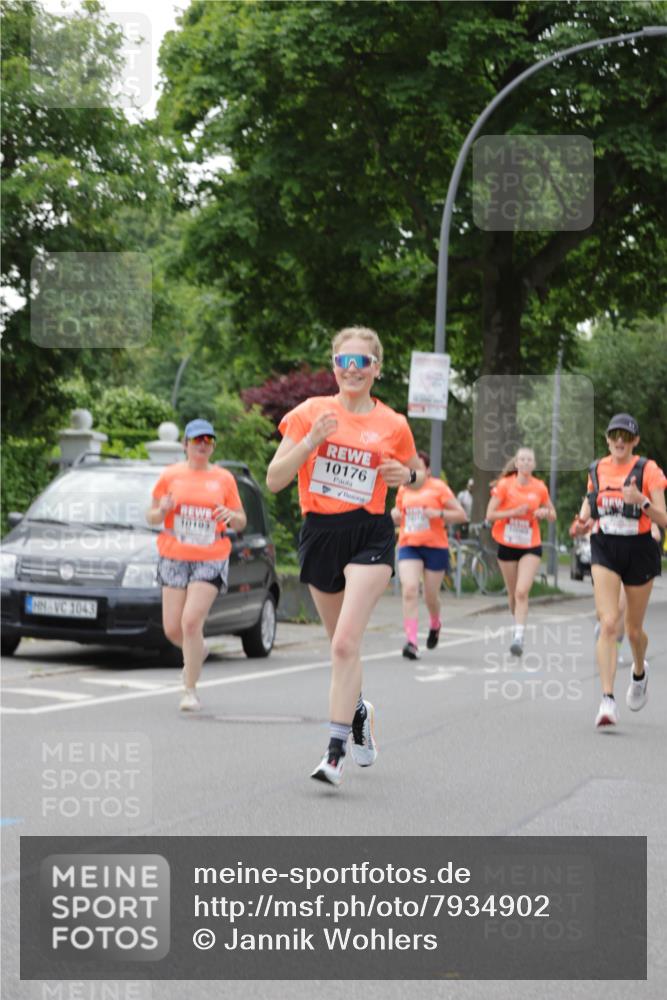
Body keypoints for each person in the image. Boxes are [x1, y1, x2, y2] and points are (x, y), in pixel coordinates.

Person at [266, 326, 425, 787]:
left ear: (377, 368)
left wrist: (405, 475)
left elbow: (413, 473)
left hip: (369, 534)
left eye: (362, 363)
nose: (352, 370)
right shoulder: (310, 413)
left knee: (341, 646)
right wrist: (310, 441)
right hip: (320, 533)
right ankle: (359, 712)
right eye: (344, 362)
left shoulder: (393, 423)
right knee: (342, 646)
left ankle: (334, 751)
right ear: (334, 365)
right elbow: (276, 479)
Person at [571, 414, 666, 728]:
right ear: (608, 439)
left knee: (634, 630)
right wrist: (582, 521)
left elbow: (663, 519)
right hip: (605, 546)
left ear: (635, 440)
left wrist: (642, 502)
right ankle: (607, 700)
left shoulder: (648, 470)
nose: (620, 441)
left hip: (640, 549)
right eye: (615, 435)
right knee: (609, 623)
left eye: (626, 436)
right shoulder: (597, 469)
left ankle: (639, 672)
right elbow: (590, 501)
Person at [147, 419, 247, 712]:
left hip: (210, 556)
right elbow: (150, 516)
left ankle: (189, 690)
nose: (202, 445)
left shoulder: (224, 479)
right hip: (174, 555)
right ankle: (197, 651)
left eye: (208, 441)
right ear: (185, 445)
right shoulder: (170, 475)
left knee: (191, 622)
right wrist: (161, 510)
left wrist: (230, 514)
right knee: (172, 629)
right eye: (196, 441)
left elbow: (241, 521)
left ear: (213, 446)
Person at [391, 451, 468, 659]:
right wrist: (394, 515)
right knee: (409, 589)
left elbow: (461, 515)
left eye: (418, 468)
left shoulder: (439, 488)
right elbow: (398, 516)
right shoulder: (403, 489)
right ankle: (412, 642)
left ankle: (435, 623)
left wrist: (439, 514)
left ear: (428, 471)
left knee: (430, 596)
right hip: (409, 545)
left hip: (435, 546)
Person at [485, 447, 556, 657]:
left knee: (522, 591)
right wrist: (513, 512)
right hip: (507, 544)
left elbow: (553, 513)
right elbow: (490, 514)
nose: (525, 463)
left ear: (533, 465)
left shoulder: (540, 487)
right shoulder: (505, 486)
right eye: (522, 460)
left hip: (530, 544)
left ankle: (519, 637)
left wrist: (545, 512)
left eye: (529, 460)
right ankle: (516, 623)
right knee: (512, 593)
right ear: (516, 464)